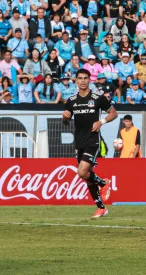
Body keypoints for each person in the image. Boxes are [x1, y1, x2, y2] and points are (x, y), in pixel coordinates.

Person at [62, 68, 117, 219]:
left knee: (81, 172)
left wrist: (102, 121)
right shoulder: (71, 100)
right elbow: (66, 123)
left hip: (93, 141)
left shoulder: (97, 98)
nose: (83, 81)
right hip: (79, 142)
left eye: (86, 78)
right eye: (80, 78)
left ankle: (104, 183)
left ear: (89, 80)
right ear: (76, 81)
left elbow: (114, 113)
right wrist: (65, 118)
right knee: (86, 176)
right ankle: (101, 208)